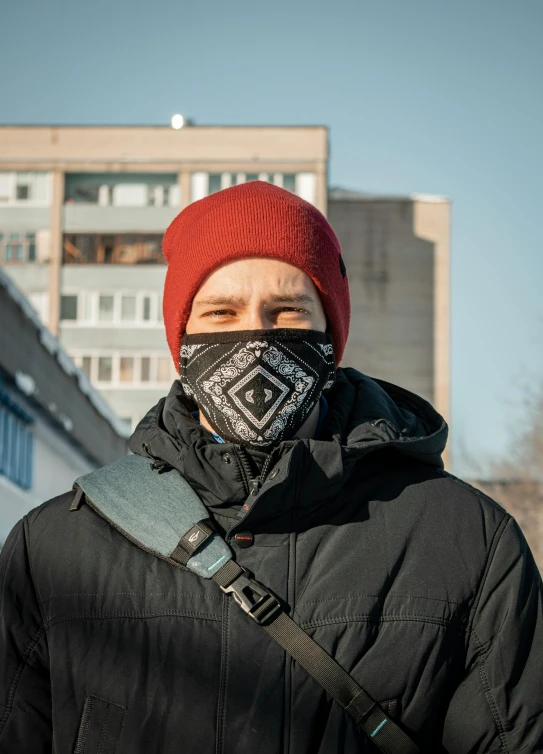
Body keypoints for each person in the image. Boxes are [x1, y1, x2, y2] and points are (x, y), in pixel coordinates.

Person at [1, 181, 542, 754]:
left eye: (288, 310)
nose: (254, 338)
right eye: (221, 312)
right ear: (181, 339)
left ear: (330, 336)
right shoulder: (54, 550)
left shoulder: (464, 542)